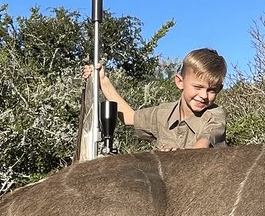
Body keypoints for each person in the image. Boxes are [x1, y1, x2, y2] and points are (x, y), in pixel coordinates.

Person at [84, 48, 227, 150]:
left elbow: (202, 146)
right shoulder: (163, 113)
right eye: (197, 87)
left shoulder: (215, 115)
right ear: (179, 82)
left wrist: (180, 157)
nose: (203, 95)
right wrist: (103, 81)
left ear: (218, 90)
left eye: (211, 90)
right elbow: (129, 117)